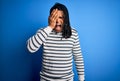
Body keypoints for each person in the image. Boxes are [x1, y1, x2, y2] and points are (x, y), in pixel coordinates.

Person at [27, 3, 85, 81]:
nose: (57, 20)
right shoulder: (43, 32)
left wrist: (82, 79)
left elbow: (78, 57)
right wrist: (50, 27)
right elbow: (30, 48)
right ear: (50, 18)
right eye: (54, 17)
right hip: (46, 79)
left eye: (61, 17)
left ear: (66, 19)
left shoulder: (73, 33)